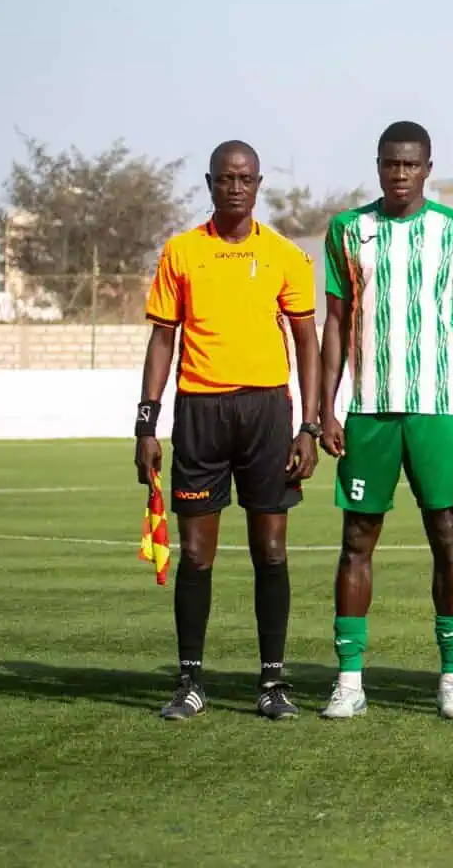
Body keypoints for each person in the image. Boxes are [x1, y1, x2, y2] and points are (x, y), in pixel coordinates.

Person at [135, 139, 321, 722]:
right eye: (225, 178)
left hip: (267, 413)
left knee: (271, 549)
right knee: (195, 554)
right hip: (200, 413)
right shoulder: (182, 252)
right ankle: (190, 681)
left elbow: (307, 341)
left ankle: (272, 683)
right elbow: (162, 338)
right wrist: (146, 422)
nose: (235, 187)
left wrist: (309, 425)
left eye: (244, 178)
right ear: (210, 183)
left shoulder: (286, 255)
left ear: (258, 184)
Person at [316, 120, 453, 721]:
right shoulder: (347, 230)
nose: (400, 174)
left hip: (436, 409)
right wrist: (325, 408)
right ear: (378, 166)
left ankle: (452, 679)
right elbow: (336, 322)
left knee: (448, 538)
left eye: (411, 164)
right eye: (391, 164)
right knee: (356, 541)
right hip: (368, 409)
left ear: (427, 169)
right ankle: (349, 680)